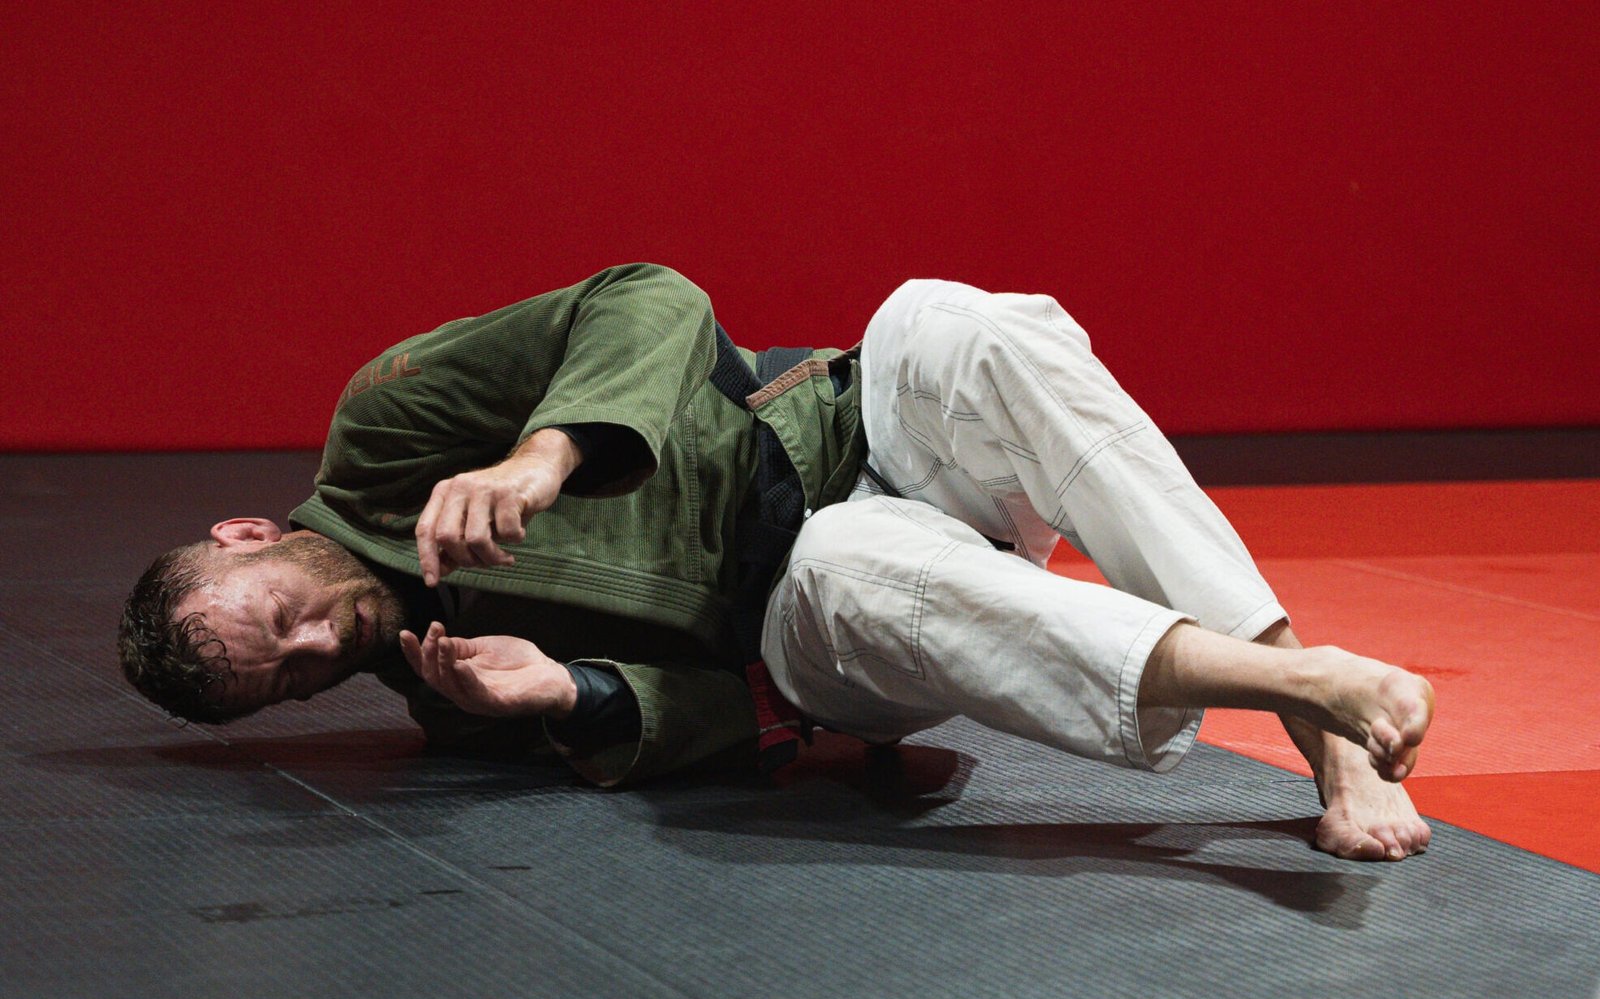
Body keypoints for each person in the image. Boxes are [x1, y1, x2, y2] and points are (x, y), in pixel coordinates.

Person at [117, 263, 1434, 862]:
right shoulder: (452, 699)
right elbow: (724, 717)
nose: (315, 646)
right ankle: (1300, 688)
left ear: (244, 534)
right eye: (289, 681)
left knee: (960, 321)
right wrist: (566, 698)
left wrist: (543, 457)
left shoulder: (381, 425)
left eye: (278, 615)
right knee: (853, 561)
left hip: (846, 416)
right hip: (824, 624)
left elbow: (649, 296)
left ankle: (1304, 687)